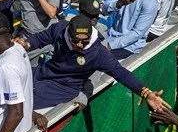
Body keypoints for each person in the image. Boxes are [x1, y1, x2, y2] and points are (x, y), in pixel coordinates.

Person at [23, 14, 169, 111]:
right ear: (68, 33)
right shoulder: (60, 28)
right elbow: (40, 39)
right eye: (75, 41)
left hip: (62, 88)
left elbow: (120, 72)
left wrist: (145, 92)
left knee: (25, 103)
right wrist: (26, 44)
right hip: (44, 72)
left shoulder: (99, 52)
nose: (80, 45)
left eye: (84, 41)